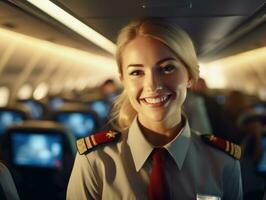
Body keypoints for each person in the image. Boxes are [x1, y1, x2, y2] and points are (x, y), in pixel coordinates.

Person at [67, 18, 242, 200]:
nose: (152, 85)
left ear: (189, 75)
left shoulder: (223, 163)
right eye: (137, 72)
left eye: (167, 68)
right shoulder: (95, 161)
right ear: (123, 80)